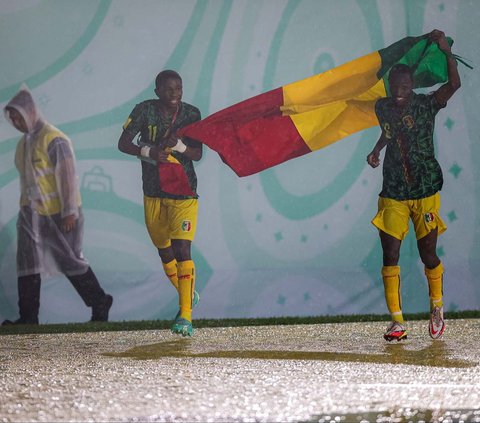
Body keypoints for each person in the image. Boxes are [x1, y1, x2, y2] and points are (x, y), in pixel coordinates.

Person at [367, 29, 461, 342]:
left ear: (412, 86)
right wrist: (377, 149)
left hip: (425, 190)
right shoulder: (382, 107)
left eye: (404, 85)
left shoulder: (426, 104)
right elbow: (389, 131)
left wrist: (447, 53)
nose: (399, 90)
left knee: (428, 254)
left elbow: (454, 85)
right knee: (389, 253)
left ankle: (436, 308)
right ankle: (397, 322)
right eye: (395, 85)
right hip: (393, 190)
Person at [2, 86, 113, 325]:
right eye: (11, 118)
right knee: (27, 264)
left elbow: (68, 177)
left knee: (70, 261)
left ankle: (100, 301)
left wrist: (69, 211)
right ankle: (28, 317)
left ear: (30, 112)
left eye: (18, 116)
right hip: (30, 214)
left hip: (59, 214)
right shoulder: (24, 144)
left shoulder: (54, 139)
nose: (15, 122)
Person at [118, 70, 202, 337]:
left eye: (178, 88)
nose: (175, 93)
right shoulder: (144, 110)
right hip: (153, 190)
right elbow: (122, 143)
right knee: (164, 251)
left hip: (184, 191)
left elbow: (197, 154)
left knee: (182, 249)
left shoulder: (191, 114)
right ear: (157, 91)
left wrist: (178, 147)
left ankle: (185, 316)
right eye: (168, 89)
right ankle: (186, 294)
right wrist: (149, 152)